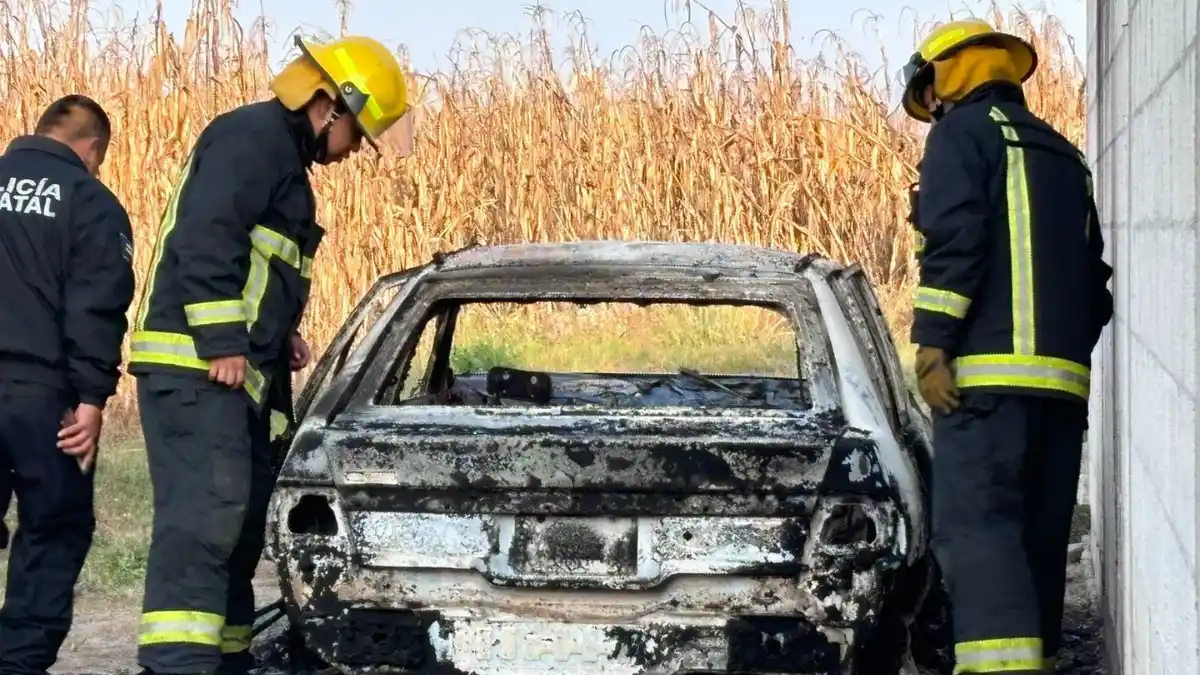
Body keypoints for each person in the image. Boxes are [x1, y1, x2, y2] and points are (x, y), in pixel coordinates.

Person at [128, 34, 412, 675]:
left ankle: (226, 661)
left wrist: (277, 333)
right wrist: (226, 342)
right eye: (357, 136)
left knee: (237, 527)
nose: (352, 152)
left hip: (232, 374)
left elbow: (255, 266)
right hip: (197, 369)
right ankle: (177, 663)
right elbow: (207, 238)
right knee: (205, 522)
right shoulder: (251, 139)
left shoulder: (281, 161)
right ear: (331, 107)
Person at [898, 18, 1114, 675]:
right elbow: (1095, 285)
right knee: (1038, 540)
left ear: (950, 74)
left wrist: (934, 345)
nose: (930, 110)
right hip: (1062, 390)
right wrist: (1062, 355)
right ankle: (1036, 662)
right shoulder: (1063, 154)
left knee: (980, 533)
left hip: (984, 388)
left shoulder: (961, 136)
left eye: (929, 94)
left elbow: (956, 244)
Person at [0, 95, 135, 675]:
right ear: (92, 149)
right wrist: (91, 397)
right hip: (42, 396)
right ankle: (18, 664)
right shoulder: (91, 200)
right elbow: (96, 305)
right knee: (54, 528)